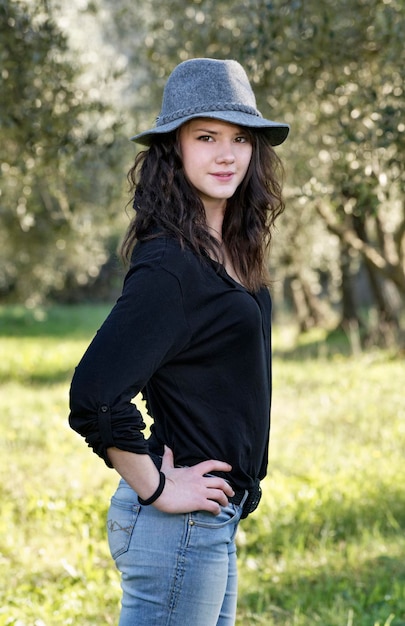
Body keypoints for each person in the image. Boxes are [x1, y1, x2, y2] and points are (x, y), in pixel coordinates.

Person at [69, 57, 289, 626]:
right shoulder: (171, 263)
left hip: (213, 518)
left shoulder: (230, 250)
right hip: (179, 525)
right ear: (175, 149)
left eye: (241, 138)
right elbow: (95, 392)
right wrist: (158, 487)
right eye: (207, 136)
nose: (227, 154)